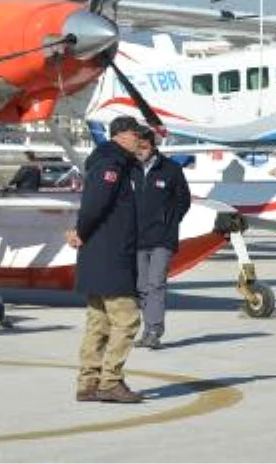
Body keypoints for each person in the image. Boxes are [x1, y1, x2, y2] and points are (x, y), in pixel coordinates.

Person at [68, 115, 144, 403]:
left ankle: (88, 383)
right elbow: (94, 205)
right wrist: (80, 231)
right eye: (136, 134)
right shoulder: (112, 164)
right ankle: (110, 381)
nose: (140, 139)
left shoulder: (114, 162)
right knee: (127, 320)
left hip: (100, 255)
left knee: (99, 322)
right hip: (110, 254)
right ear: (121, 134)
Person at [132, 127, 192, 350]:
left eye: (144, 147)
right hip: (137, 238)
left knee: (156, 284)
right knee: (141, 286)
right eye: (137, 147)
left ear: (153, 146)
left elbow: (183, 200)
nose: (140, 151)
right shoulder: (131, 169)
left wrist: (170, 221)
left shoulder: (171, 170)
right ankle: (147, 329)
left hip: (162, 239)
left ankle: (154, 331)